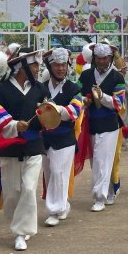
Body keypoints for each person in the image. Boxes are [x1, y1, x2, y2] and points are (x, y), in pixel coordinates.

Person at [0, 48, 48, 251]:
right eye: (34, 64)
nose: (38, 68)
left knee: (28, 188)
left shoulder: (40, 89)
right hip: (9, 147)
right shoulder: (0, 90)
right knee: (12, 193)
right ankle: (18, 221)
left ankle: (20, 233)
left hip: (34, 146)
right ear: (22, 67)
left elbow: (47, 112)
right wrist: (13, 125)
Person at [77, 42, 126, 211]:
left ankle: (100, 197)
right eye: (98, 58)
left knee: (102, 160)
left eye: (105, 58)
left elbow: (119, 103)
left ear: (110, 59)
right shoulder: (86, 75)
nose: (101, 61)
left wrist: (102, 97)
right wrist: (85, 100)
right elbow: (77, 95)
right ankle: (110, 189)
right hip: (91, 123)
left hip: (110, 124)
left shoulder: (117, 77)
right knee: (96, 161)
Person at [40, 48, 83, 226]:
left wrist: (53, 109)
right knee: (50, 174)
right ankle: (63, 204)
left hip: (65, 138)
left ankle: (55, 211)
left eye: (63, 65)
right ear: (50, 67)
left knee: (59, 172)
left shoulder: (74, 88)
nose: (60, 69)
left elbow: (75, 111)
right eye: (57, 65)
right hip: (44, 139)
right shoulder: (40, 88)